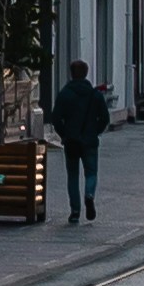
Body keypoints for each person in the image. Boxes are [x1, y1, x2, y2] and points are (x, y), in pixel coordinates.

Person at [47, 53, 110, 225]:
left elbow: (55, 117)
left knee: (72, 176)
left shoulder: (65, 94)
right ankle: (89, 194)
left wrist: (64, 134)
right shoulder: (94, 95)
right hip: (89, 141)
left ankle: (75, 211)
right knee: (91, 173)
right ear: (86, 74)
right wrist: (95, 131)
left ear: (71, 74)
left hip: (72, 141)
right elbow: (105, 118)